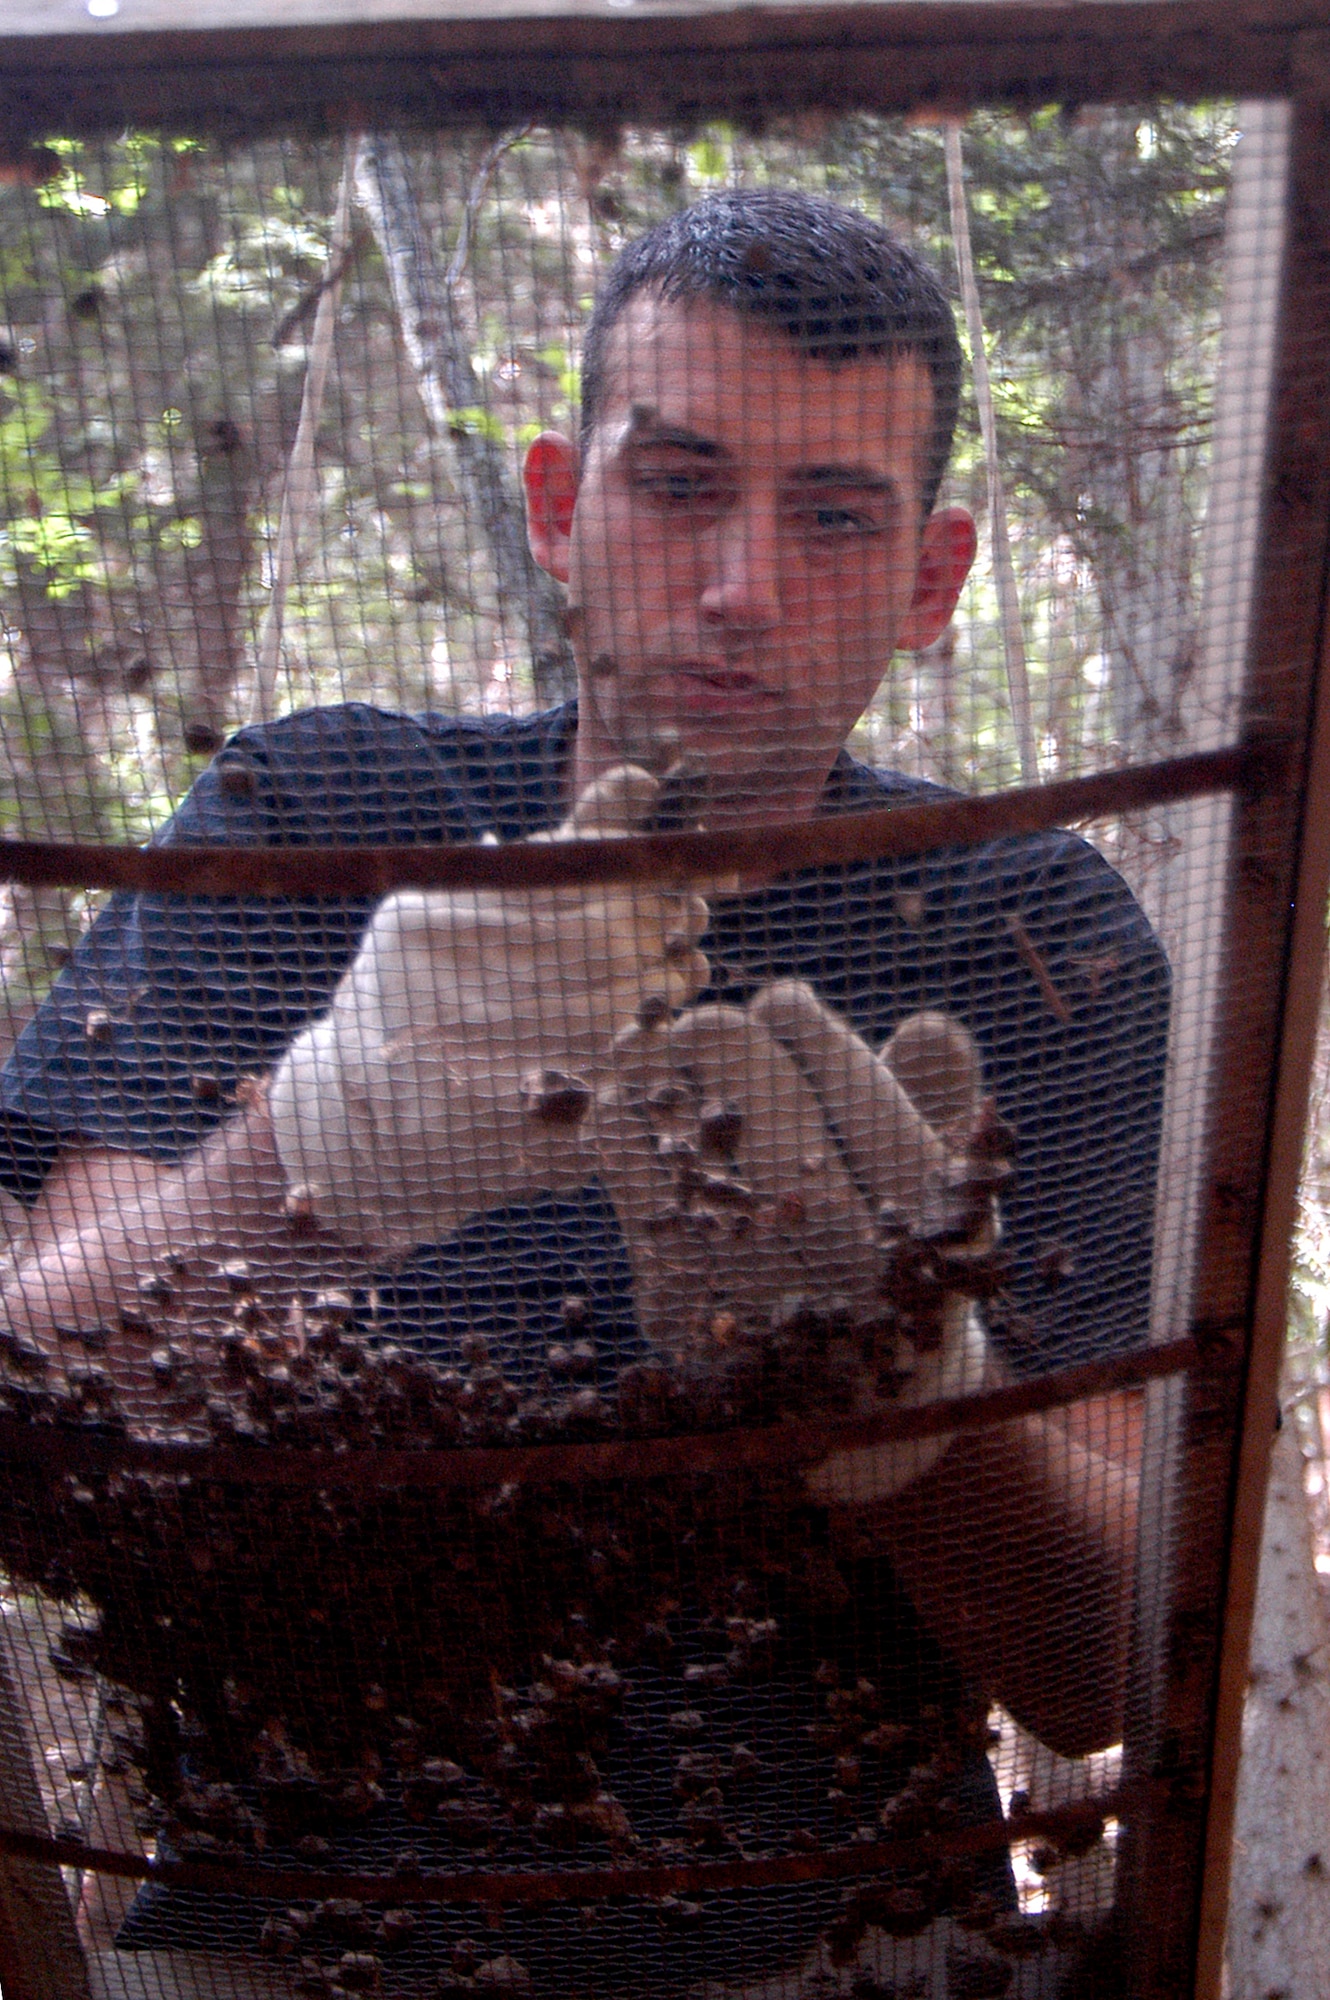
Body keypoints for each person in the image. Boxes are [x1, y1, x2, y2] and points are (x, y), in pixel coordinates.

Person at [0, 191, 1166, 1992]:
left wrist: (909, 1406)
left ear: (933, 583)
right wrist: (310, 1153)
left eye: (834, 516)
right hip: (291, 1939)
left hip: (852, 1947)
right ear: (561, 507)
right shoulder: (309, 821)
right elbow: (32, 1413)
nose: (740, 587)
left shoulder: (1028, 928)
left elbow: (1101, 1668)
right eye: (677, 481)